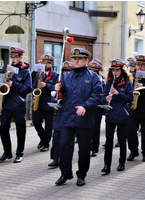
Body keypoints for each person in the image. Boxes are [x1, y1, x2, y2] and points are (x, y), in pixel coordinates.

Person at [54, 48, 103, 186]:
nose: (76, 60)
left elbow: (97, 96)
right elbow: (62, 96)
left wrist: (85, 106)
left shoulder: (93, 77)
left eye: (79, 59)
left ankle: (81, 174)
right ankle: (65, 173)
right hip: (67, 116)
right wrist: (58, 90)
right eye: (74, 58)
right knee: (64, 145)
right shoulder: (65, 77)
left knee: (84, 148)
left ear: (86, 61)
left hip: (84, 118)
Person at [0, 47, 32, 163]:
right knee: (3, 128)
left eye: (15, 57)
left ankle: (19, 153)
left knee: (20, 130)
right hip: (7, 104)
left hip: (19, 105)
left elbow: (28, 88)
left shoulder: (25, 71)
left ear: (20, 58)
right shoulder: (9, 69)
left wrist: (14, 84)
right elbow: (5, 84)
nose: (13, 59)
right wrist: (0, 93)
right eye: (12, 57)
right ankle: (7, 152)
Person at [101, 59, 133, 174]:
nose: (115, 72)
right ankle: (106, 165)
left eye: (117, 70)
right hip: (110, 114)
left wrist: (118, 94)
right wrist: (106, 98)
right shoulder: (108, 83)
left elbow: (130, 98)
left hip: (122, 115)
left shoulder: (127, 83)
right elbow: (102, 96)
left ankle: (121, 162)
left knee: (122, 140)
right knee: (109, 140)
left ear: (121, 71)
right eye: (113, 70)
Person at [48, 61, 74, 168]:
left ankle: (64, 159)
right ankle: (55, 158)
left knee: (66, 140)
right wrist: (54, 97)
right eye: (64, 71)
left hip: (68, 114)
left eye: (68, 71)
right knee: (56, 138)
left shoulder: (73, 84)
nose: (66, 73)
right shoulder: (59, 83)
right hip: (58, 114)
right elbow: (53, 99)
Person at [32, 54, 59, 152]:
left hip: (49, 104)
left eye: (47, 63)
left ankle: (46, 144)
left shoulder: (56, 75)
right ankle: (43, 139)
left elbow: (56, 88)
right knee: (36, 123)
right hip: (39, 103)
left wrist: (46, 85)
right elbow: (34, 86)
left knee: (48, 126)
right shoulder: (39, 74)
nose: (45, 65)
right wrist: (34, 93)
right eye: (44, 63)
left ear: (51, 64)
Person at [88, 60, 105, 157]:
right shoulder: (86, 78)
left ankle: (95, 148)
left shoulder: (101, 79)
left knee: (95, 129)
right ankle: (88, 146)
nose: (93, 72)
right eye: (91, 70)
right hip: (88, 107)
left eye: (95, 71)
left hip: (97, 107)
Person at [29, 60, 43, 126]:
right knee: (34, 105)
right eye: (37, 66)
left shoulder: (43, 73)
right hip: (35, 91)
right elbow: (31, 82)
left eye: (40, 65)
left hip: (41, 91)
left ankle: (41, 119)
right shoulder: (34, 73)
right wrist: (31, 91)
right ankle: (33, 120)